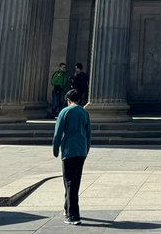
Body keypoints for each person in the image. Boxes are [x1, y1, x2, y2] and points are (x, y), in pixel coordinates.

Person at [52, 89, 91, 226]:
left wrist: (55, 149)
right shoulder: (84, 112)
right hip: (81, 150)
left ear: (68, 99)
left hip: (69, 151)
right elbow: (88, 134)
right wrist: (86, 150)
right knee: (74, 182)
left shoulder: (65, 112)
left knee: (69, 182)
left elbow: (58, 133)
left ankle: (73, 215)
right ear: (79, 100)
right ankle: (66, 207)